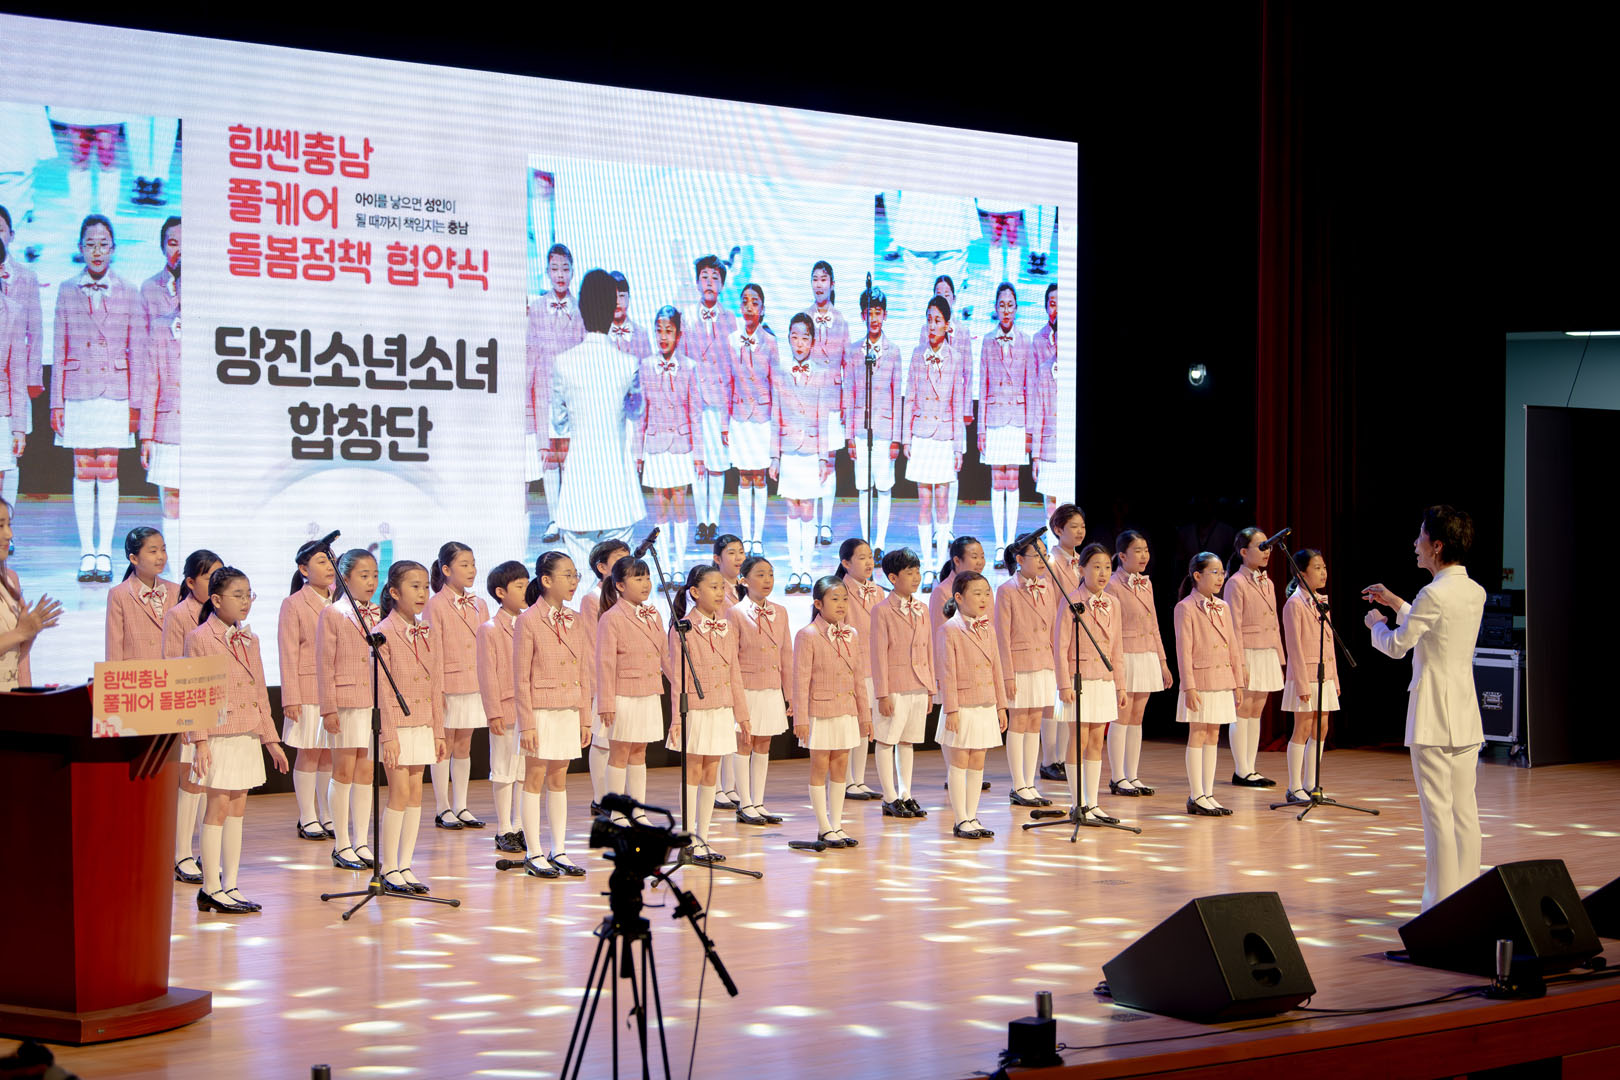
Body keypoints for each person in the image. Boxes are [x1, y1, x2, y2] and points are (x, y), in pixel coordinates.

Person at [1363, 505, 1486, 911]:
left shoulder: (1432, 593)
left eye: (1420, 537)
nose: (1415, 544)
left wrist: (1377, 625)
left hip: (1433, 714)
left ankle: (1439, 906)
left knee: (1437, 815)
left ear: (1437, 545)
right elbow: (1433, 623)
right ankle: (1468, 899)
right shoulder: (1474, 591)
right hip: (1465, 714)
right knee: (1464, 812)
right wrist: (1397, 601)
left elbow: (1399, 645)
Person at [185, 566, 290, 914]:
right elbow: (195, 694)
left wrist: (271, 740)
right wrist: (200, 741)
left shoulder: (250, 639)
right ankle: (210, 887)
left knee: (238, 808)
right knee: (217, 807)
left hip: (246, 732)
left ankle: (230, 884)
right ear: (216, 600)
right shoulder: (200, 638)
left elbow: (259, 692)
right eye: (238, 595)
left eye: (249, 595)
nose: (245, 602)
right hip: (218, 735)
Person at [54, 216, 145, 581]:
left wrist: (136, 405)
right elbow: (59, 347)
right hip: (78, 390)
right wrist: (56, 403)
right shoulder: (66, 289)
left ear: (113, 249)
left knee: (107, 468)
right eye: (90, 243)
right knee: (82, 468)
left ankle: (105, 551)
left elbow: (138, 350)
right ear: (80, 248)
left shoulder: (129, 290)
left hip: (114, 392)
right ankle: (85, 552)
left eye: (103, 244)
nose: (96, 250)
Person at [549, 268, 647, 575]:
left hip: (579, 489)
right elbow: (636, 411)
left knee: (582, 585)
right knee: (618, 585)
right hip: (618, 490)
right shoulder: (627, 364)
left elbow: (559, 422)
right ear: (611, 309)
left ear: (581, 308)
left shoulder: (563, 363)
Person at [513, 551, 592, 878]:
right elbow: (520, 678)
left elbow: (584, 670)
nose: (573, 581)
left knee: (559, 779)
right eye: (567, 575)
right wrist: (527, 723)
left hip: (568, 708)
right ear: (546, 580)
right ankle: (533, 852)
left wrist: (585, 716)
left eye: (575, 575)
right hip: (540, 710)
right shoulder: (528, 620)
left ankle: (558, 849)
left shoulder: (577, 619)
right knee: (534, 778)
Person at [667, 564, 752, 862]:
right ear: (694, 591)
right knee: (692, 771)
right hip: (695, 709)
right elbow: (678, 678)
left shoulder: (727, 626)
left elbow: (734, 673)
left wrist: (742, 715)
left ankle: (703, 837)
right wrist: (676, 718)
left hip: (721, 708)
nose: (720, 593)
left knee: (711, 773)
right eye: (713, 587)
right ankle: (688, 837)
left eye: (722, 588)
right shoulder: (682, 627)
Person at [374, 561, 447, 895]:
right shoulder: (383, 632)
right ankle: (389, 867)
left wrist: (438, 731)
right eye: (414, 586)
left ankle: (405, 864)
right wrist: (388, 735)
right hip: (397, 725)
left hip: (423, 723)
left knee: (416, 793)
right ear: (394, 592)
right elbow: (381, 690)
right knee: (399, 793)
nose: (422, 593)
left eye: (425, 586)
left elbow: (436, 684)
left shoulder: (427, 630)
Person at [792, 576, 871, 847]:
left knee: (840, 766)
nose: (841, 604)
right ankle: (823, 826)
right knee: (820, 766)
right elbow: (801, 680)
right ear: (818, 603)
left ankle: (836, 824)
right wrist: (801, 718)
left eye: (845, 599)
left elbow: (858, 678)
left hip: (846, 710)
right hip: (820, 710)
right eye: (835, 599)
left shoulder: (852, 634)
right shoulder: (807, 634)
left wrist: (864, 716)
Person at [1054, 544, 1129, 824]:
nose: (1103, 573)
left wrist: (1120, 685)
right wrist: (1064, 684)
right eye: (1096, 567)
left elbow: (1117, 648)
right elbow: (1061, 647)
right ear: (1081, 569)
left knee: (1097, 740)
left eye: (1107, 567)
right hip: (1079, 680)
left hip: (1104, 680)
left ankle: (1093, 803)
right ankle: (1078, 803)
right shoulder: (1071, 600)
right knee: (1079, 739)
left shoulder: (1113, 603)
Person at [317, 549, 382, 872]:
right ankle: (341, 843)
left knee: (366, 773)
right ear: (345, 578)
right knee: (343, 771)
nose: (371, 582)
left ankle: (361, 841)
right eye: (363, 575)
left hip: (372, 701)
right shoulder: (333, 613)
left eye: (375, 575)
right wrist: (328, 708)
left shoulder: (379, 613)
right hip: (344, 702)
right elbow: (324, 665)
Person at [935, 571, 1008, 838]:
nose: (983, 599)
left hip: (985, 703)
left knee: (978, 760)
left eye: (986, 593)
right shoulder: (949, 630)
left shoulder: (988, 628)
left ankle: (972, 816)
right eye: (977, 593)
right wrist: (951, 709)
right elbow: (947, 673)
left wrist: (1001, 706)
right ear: (958, 597)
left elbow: (996, 668)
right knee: (960, 761)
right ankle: (960, 819)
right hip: (962, 705)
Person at [595, 556, 666, 823]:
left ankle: (638, 811)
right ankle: (617, 812)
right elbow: (605, 663)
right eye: (638, 578)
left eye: (647, 577)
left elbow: (666, 655)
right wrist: (606, 703)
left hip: (649, 691)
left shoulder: (654, 614)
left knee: (639, 752)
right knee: (620, 752)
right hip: (622, 695)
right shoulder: (611, 618)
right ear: (620, 585)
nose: (646, 583)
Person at [166, 547, 223, 876]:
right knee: (190, 782)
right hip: (190, 708)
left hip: (218, 708)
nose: (216, 583)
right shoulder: (178, 615)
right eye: (209, 577)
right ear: (190, 582)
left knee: (209, 783)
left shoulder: (224, 611)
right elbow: (175, 666)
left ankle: (204, 852)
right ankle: (182, 854)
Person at [1174, 552, 1246, 816]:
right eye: (1214, 572)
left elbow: (1233, 646)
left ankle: (1208, 793)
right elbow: (1184, 651)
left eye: (1221, 572)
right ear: (1197, 575)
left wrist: (1238, 682)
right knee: (1198, 732)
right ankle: (1196, 794)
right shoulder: (1185, 607)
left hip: (1222, 678)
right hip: (1200, 679)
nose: (1220, 577)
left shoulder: (1223, 606)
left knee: (1214, 734)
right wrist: (1189, 687)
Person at [425, 542, 489, 830]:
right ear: (446, 569)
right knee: (445, 745)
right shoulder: (435, 604)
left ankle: (461, 805)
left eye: (472, 564)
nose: (471, 570)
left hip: (474, 682)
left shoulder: (480, 603)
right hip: (448, 683)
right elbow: (433, 650)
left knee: (464, 744)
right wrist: (436, 689)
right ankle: (443, 807)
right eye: (464, 564)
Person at [635, 306, 702, 572]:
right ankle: (664, 564)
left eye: (669, 331)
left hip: (681, 446)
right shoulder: (646, 366)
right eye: (659, 331)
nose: (663, 336)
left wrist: (699, 455)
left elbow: (695, 413)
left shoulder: (690, 367)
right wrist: (637, 453)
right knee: (660, 507)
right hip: (655, 445)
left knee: (680, 503)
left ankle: (679, 564)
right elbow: (642, 414)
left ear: (679, 334)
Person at [869, 547, 934, 819]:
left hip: (918, 684)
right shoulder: (881, 611)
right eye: (910, 572)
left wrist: (930, 689)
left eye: (918, 571)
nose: (916, 577)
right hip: (894, 686)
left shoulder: (922, 608)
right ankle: (889, 796)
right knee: (886, 740)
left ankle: (906, 794)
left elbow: (928, 650)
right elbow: (878, 655)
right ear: (893, 578)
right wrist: (882, 693)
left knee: (908, 741)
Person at [1104, 530, 1170, 796]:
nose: (1144, 556)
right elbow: (1110, 630)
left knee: (1137, 717)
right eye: (1137, 551)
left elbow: (1154, 625)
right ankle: (1117, 776)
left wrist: (1162, 661)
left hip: (1147, 654)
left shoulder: (1146, 584)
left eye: (1146, 550)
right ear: (1122, 555)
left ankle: (1132, 774)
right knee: (1122, 715)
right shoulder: (1112, 584)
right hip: (1126, 655)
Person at [903, 295, 966, 573]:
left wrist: (958, 447)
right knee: (924, 503)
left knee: (942, 503)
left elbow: (958, 403)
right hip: (921, 435)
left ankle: (941, 566)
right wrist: (906, 438)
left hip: (943, 437)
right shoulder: (918, 354)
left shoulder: (956, 358)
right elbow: (909, 398)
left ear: (947, 325)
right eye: (929, 319)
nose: (932, 325)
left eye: (937, 320)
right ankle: (926, 566)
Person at [526, 243, 583, 544]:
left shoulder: (581, 310)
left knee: (570, 457)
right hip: (545, 393)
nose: (560, 274)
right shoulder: (536, 309)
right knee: (548, 457)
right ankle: (553, 518)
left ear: (572, 272)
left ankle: (570, 516)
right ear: (547, 272)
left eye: (565, 269)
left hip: (572, 396)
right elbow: (532, 355)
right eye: (555, 269)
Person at [277, 541, 334, 841]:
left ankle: (327, 813)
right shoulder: (294, 603)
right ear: (304, 569)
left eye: (331, 561)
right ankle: (307, 816)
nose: (329, 567)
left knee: (328, 755)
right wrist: (291, 697)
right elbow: (288, 653)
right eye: (322, 561)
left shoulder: (341, 600)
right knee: (309, 753)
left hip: (335, 689)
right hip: (308, 687)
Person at [771, 312, 831, 593]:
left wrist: (823, 457)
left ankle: (807, 570)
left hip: (810, 449)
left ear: (812, 341)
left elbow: (823, 417)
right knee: (792, 509)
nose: (799, 343)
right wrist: (774, 456)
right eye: (794, 337)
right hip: (788, 450)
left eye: (804, 338)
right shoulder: (781, 372)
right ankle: (794, 570)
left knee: (808, 509)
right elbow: (776, 415)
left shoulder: (821, 374)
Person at [728, 555, 790, 826]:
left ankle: (759, 802)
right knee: (745, 743)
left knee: (764, 744)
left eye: (771, 574)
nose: (767, 580)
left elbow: (787, 654)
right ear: (744, 580)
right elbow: (731, 658)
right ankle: (744, 803)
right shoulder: (735, 613)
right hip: (746, 688)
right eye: (760, 574)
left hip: (771, 687)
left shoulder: (781, 611)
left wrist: (790, 694)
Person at [474, 559, 531, 854]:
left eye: (527, 585)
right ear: (500, 592)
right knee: (503, 769)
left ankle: (520, 825)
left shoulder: (530, 623)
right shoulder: (490, 629)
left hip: (528, 710)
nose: (526, 591)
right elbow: (487, 674)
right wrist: (493, 711)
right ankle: (503, 829)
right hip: (505, 709)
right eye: (519, 586)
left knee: (523, 770)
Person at [996, 534, 1056, 808]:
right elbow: (1002, 637)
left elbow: (1052, 630)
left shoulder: (1048, 587)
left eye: (1045, 553)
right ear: (1020, 559)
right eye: (1037, 554)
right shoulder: (1007, 590)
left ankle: (1030, 783)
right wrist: (1007, 675)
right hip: (1019, 665)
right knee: (1019, 723)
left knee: (1034, 723)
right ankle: (1018, 784)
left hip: (1043, 663)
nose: (1043, 559)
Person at [978, 283, 1035, 561]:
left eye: (1010, 305)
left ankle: (1011, 543)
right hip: (994, 417)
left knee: (1012, 479)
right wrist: (981, 429)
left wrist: (1030, 431)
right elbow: (983, 383)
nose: (1006, 310)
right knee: (997, 478)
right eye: (1001, 305)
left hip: (1017, 418)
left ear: (1017, 308)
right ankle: (999, 544)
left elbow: (1031, 385)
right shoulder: (988, 340)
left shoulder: (1025, 340)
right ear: (995, 307)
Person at [1224, 528, 1285, 788]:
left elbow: (1274, 621)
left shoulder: (1267, 582)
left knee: (1257, 710)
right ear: (1243, 552)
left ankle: (1251, 767)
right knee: (1243, 709)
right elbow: (1233, 626)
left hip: (1266, 650)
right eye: (1261, 546)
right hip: (1247, 651)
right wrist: (1239, 662)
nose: (1267, 551)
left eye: (1268, 546)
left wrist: (1279, 655)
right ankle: (1241, 770)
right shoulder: (1236, 582)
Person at [682, 254, 736, 542]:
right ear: (697, 282)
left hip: (720, 402)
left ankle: (713, 521)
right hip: (695, 402)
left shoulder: (730, 319)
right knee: (699, 464)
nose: (709, 283)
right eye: (704, 277)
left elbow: (733, 366)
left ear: (722, 284)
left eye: (715, 278)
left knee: (717, 465)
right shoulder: (686, 317)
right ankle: (700, 521)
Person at [846, 286, 902, 557]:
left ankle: (880, 542)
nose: (874, 318)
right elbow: (849, 393)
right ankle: (866, 541)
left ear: (885, 315)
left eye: (878, 313)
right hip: (861, 427)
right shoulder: (853, 351)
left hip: (885, 429)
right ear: (862, 316)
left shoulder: (894, 351)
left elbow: (896, 395)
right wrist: (849, 435)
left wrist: (896, 438)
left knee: (884, 486)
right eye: (869, 313)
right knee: (864, 486)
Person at [139, 216, 182, 553]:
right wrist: (147, 435)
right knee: (172, 497)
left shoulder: (216, 330)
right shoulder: (159, 328)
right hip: (168, 425)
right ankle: (180, 567)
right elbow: (150, 382)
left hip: (201, 431)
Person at [1282, 549, 1337, 803]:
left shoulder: (1321, 601)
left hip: (1324, 674)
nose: (1323, 572)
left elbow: (1329, 642)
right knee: (1302, 727)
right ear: (1301, 573)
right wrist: (1302, 683)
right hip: (1304, 676)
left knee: (1321, 727)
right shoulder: (1294, 604)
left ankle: (1312, 784)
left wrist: (1334, 678)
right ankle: (1294, 787)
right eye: (1317, 568)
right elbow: (1294, 648)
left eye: (1324, 567)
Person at [729, 284, 776, 556]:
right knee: (744, 476)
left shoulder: (770, 342)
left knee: (759, 476)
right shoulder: (730, 340)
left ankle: (757, 538)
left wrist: (777, 424)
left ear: (762, 308)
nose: (749, 306)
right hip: (739, 418)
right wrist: (724, 425)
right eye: (745, 301)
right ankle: (745, 537)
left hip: (761, 418)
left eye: (754, 302)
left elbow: (776, 384)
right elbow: (727, 382)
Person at [836, 538, 884, 801]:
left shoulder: (878, 591)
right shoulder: (839, 590)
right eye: (862, 557)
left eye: (870, 557)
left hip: (873, 667)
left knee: (866, 723)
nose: (869, 562)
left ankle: (859, 779)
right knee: (851, 723)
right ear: (846, 563)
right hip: (851, 667)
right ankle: (845, 780)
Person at [805, 261, 849, 546]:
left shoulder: (841, 321)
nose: (819, 284)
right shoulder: (804, 318)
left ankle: (826, 523)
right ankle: (811, 522)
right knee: (812, 460)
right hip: (809, 400)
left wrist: (846, 402)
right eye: (815, 279)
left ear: (832, 284)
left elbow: (847, 365)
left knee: (829, 461)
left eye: (824, 279)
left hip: (833, 399)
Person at [0, 496, 62, 691]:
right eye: (0, 526)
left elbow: (20, 656)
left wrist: (30, 632)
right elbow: (18, 635)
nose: (9, 534)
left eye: (9, 525)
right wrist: (20, 632)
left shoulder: (10, 580)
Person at [105, 526, 176, 661]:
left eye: (163, 550)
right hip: (139, 672)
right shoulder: (119, 594)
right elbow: (114, 650)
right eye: (153, 551)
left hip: (172, 671)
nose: (161, 556)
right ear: (134, 559)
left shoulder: (176, 591)